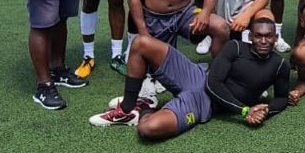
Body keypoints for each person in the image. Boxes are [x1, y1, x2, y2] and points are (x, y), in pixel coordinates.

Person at [89, 18, 289, 136]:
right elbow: (213, 84)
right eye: (258, 36)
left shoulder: (280, 65)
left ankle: (142, 109)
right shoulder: (235, 47)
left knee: (148, 129)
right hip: (197, 75)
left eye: (268, 36)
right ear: (250, 36)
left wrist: (266, 111)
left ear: (276, 37)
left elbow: (281, 98)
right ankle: (127, 108)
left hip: (204, 103)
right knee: (142, 43)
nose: (263, 41)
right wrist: (245, 110)